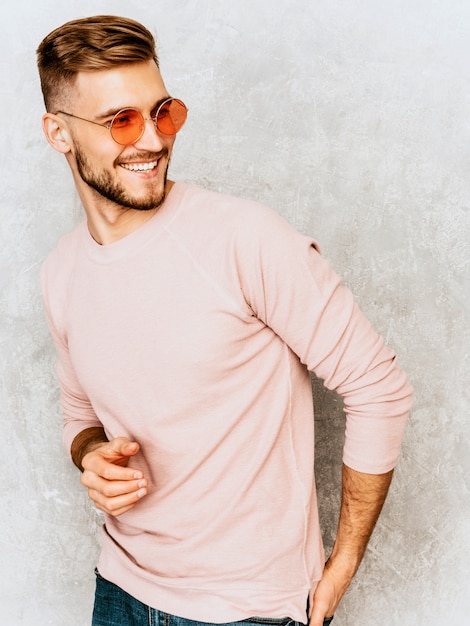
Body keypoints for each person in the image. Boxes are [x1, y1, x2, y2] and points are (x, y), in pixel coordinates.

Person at [36, 15, 413, 626]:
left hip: (248, 612)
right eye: (121, 120)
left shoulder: (244, 239)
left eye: (163, 112)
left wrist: (340, 566)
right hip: (119, 590)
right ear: (58, 132)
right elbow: (80, 421)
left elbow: (380, 389)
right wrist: (90, 456)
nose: (153, 141)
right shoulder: (60, 273)